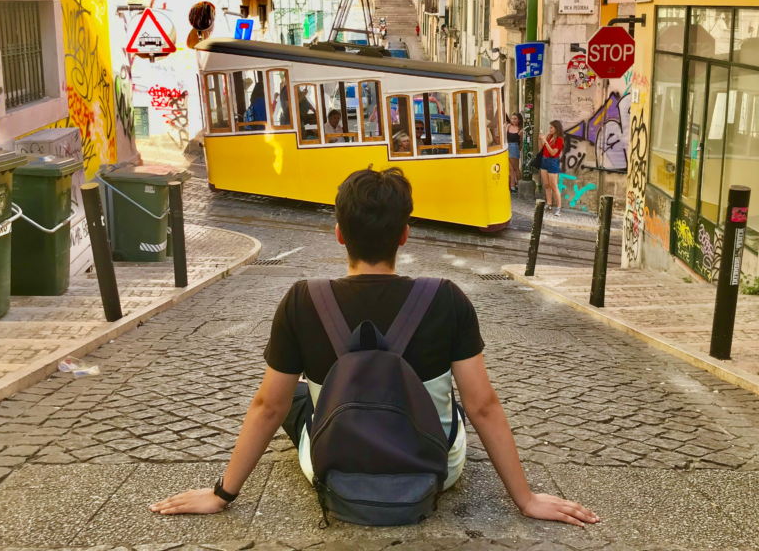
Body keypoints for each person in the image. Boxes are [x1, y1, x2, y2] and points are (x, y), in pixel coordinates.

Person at [149, 168, 599, 528]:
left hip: (334, 469)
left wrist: (221, 494)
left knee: (293, 398)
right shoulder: (446, 298)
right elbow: (483, 405)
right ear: (404, 234)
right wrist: (525, 498)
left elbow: (268, 406)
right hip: (433, 472)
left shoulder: (303, 300)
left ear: (340, 233)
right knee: (457, 410)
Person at [539, 120, 565, 215]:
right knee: (546, 184)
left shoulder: (559, 139)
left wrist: (545, 141)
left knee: (554, 186)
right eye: (549, 127)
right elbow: (541, 149)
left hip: (552, 162)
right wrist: (540, 140)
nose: (549, 129)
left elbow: (553, 153)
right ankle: (549, 204)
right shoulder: (549, 137)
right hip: (544, 160)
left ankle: (558, 207)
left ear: (556, 128)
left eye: (551, 127)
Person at [506, 112, 523, 194]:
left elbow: (521, 143)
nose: (513, 120)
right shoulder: (508, 126)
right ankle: (512, 187)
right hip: (507, 147)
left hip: (514, 147)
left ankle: (519, 186)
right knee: (510, 169)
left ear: (519, 120)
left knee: (516, 168)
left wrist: (518, 149)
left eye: (515, 119)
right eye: (512, 118)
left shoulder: (520, 129)